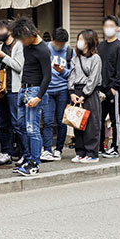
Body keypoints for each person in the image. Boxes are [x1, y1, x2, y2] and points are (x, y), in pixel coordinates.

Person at [10, 18, 50, 176]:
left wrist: (39, 97)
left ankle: (34, 163)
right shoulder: (27, 46)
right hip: (23, 90)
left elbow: (47, 77)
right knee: (21, 126)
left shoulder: (43, 50)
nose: (21, 41)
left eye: (22, 38)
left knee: (32, 129)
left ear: (30, 34)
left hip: (35, 91)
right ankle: (27, 158)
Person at [69, 30, 103, 163]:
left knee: (91, 124)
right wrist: (71, 92)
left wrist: (84, 94)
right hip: (76, 91)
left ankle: (92, 153)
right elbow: (71, 74)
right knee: (77, 124)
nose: (79, 42)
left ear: (89, 41)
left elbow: (93, 79)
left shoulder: (96, 58)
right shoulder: (75, 58)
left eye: (82, 39)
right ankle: (80, 152)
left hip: (89, 93)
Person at [96, 16, 120, 158]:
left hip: (113, 89)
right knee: (100, 118)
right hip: (100, 88)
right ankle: (101, 146)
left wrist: (115, 87)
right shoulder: (100, 46)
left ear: (116, 28)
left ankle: (114, 147)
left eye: (111, 25)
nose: (108, 28)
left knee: (115, 119)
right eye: (106, 25)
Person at [0, 19, 23, 167]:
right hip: (2, 90)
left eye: (2, 30)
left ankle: (23, 152)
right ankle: (6, 152)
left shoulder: (18, 46)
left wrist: (4, 57)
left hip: (15, 89)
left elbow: (19, 67)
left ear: (10, 31)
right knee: (2, 122)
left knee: (17, 122)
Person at [45, 28, 73, 159]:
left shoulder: (69, 51)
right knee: (47, 121)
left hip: (63, 89)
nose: (60, 46)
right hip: (47, 89)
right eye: (58, 43)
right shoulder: (45, 49)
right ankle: (47, 149)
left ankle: (59, 149)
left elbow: (72, 74)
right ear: (52, 39)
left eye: (62, 44)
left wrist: (62, 71)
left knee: (62, 121)